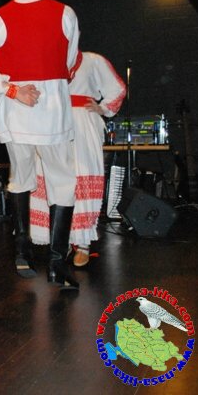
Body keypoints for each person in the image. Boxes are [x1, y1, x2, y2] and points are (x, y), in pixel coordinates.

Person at [0, 0, 80, 290]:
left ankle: (22, 252)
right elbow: (70, 61)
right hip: (53, 109)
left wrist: (12, 89)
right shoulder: (65, 13)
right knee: (62, 182)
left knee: (21, 178)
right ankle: (57, 263)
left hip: (17, 111)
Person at [29, 51, 126, 266]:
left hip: (82, 121)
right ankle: (59, 241)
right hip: (53, 122)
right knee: (54, 178)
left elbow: (117, 88)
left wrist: (102, 108)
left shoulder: (92, 61)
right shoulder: (46, 59)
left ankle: (82, 243)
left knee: (82, 175)